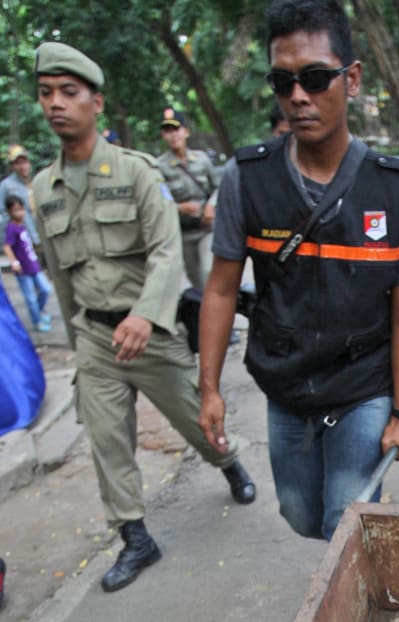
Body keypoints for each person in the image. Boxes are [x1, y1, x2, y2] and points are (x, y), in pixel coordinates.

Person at [198, 0, 399, 541]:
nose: (299, 96)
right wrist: (208, 388)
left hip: (363, 387)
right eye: (283, 82)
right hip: (287, 384)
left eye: (314, 77)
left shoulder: (396, 192)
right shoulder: (246, 178)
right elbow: (219, 290)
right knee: (301, 515)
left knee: (343, 528)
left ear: (351, 80)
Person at [31, 41, 256, 593]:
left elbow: (165, 253)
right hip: (94, 337)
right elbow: (61, 279)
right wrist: (78, 334)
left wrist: (144, 315)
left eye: (69, 92)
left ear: (96, 103)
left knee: (197, 425)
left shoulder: (135, 171)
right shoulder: (42, 188)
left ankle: (228, 464)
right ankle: (135, 537)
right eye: (45, 94)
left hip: (150, 332)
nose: (56, 103)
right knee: (107, 442)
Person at [156, 108, 219, 291]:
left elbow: (218, 187)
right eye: (167, 131)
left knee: (207, 272)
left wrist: (211, 205)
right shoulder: (159, 166)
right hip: (183, 234)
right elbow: (157, 200)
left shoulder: (202, 160)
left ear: (186, 131)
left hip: (206, 229)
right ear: (163, 135)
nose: (173, 135)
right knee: (196, 281)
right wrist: (178, 207)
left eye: (176, 129)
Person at [3, 194, 52, 332]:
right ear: (10, 212)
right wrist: (14, 262)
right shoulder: (11, 228)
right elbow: (7, 246)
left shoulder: (22, 226)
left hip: (33, 265)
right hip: (23, 269)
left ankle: (39, 312)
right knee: (30, 297)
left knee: (46, 289)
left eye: (21, 209)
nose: (20, 212)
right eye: (16, 210)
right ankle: (37, 321)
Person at [0, 145, 39, 255]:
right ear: (12, 166)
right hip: (20, 241)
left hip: (39, 237)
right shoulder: (6, 186)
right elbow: (2, 213)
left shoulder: (35, 182)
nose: (23, 166)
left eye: (25, 162)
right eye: (18, 163)